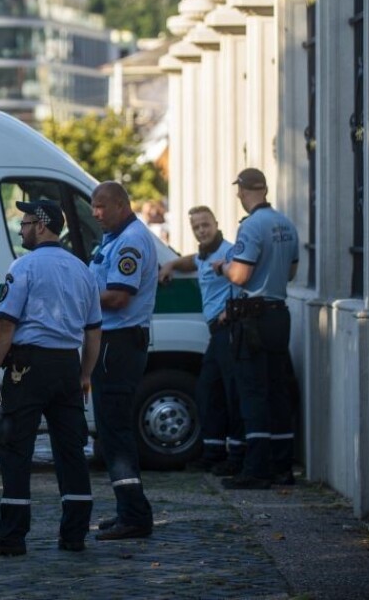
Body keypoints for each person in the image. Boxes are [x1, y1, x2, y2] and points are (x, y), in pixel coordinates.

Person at [0, 199, 101, 556]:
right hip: (66, 366)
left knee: (16, 448)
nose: (21, 229)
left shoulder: (24, 267)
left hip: (27, 368)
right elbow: (94, 331)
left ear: (42, 225)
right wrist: (85, 374)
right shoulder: (82, 270)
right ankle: (75, 534)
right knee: (71, 451)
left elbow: (6, 324)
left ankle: (12, 536)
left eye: (26, 222)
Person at [213, 168, 299, 490]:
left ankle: (257, 469)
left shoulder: (251, 226)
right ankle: (282, 466)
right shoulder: (286, 224)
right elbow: (291, 272)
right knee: (277, 391)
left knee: (252, 393)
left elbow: (240, 275)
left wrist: (222, 266)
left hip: (253, 320)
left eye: (238, 190)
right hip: (278, 315)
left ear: (242, 190)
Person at [87, 181, 157, 541]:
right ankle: (128, 510)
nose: (95, 213)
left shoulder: (130, 241)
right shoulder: (114, 238)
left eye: (101, 206)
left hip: (119, 343)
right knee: (111, 432)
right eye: (93, 207)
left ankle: (134, 516)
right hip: (113, 342)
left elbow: (118, 297)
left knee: (116, 431)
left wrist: (79, 296)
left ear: (120, 204)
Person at [159, 206, 242, 473]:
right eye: (196, 227)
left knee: (232, 392)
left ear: (216, 223)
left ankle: (237, 456)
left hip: (229, 329)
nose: (201, 230)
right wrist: (171, 264)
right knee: (208, 391)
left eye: (205, 225)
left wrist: (231, 311)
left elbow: (245, 281)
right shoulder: (205, 256)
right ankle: (213, 452)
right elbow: (192, 261)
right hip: (215, 333)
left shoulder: (229, 252)